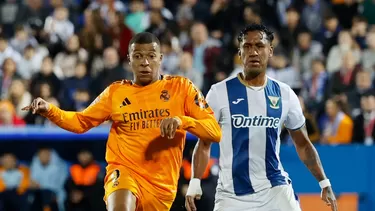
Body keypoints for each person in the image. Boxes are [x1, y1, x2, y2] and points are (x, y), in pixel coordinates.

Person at [22, 32, 222, 211]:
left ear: (160, 59)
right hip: (124, 171)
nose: (145, 62)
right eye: (138, 56)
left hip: (161, 186)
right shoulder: (115, 92)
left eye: (151, 56)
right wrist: (50, 110)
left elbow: (214, 131)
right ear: (129, 60)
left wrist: (182, 121)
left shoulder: (181, 88)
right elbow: (81, 121)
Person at [185, 24, 338, 211]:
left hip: (275, 190)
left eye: (259, 46)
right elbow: (204, 143)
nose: (254, 52)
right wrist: (195, 181)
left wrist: (324, 182)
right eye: (247, 47)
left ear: (270, 51)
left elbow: (303, 144)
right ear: (240, 53)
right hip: (232, 195)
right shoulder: (219, 93)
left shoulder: (285, 94)